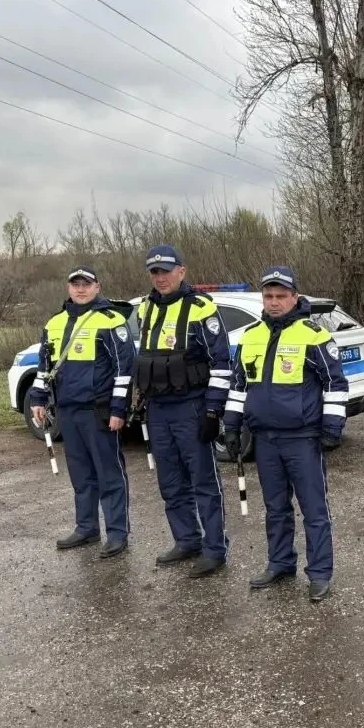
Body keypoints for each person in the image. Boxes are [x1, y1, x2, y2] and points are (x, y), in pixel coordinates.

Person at [223, 265, 348, 601]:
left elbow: (335, 384)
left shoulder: (314, 335)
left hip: (302, 439)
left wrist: (332, 427)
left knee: (314, 509)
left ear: (295, 297)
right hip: (265, 440)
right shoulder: (250, 336)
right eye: (269, 296)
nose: (274, 302)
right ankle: (280, 563)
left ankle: (319, 573)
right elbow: (238, 386)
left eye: (281, 295)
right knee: (275, 508)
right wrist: (231, 426)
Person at [134, 245, 232, 577]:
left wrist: (213, 411)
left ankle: (215, 549)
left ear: (181, 271)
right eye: (154, 272)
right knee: (171, 482)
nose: (160, 278)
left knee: (204, 482)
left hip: (191, 406)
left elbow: (222, 363)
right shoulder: (145, 308)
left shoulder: (201, 308)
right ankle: (187, 539)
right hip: (158, 409)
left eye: (165, 271)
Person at [29, 265, 135, 558]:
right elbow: (44, 367)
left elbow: (124, 370)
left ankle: (117, 533)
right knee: (81, 474)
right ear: (68, 288)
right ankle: (87, 528)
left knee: (109, 474)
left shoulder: (111, 321)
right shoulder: (54, 323)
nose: (80, 289)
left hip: (98, 411)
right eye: (75, 284)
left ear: (97, 287)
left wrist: (119, 409)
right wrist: (38, 399)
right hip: (67, 410)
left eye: (86, 284)